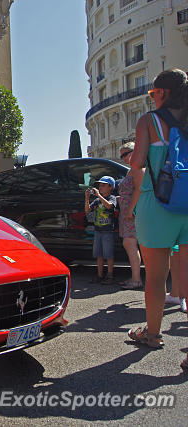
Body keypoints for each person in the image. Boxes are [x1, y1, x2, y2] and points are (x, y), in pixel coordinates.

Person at [126, 69, 188, 360]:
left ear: (162, 93)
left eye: (153, 94)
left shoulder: (149, 121)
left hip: (157, 203)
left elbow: (137, 164)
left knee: (155, 277)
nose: (152, 98)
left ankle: (152, 335)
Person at [117, 142, 143, 290]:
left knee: (130, 243)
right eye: (121, 155)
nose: (123, 158)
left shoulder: (137, 168)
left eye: (125, 154)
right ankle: (135, 278)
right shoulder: (132, 169)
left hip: (132, 213)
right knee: (130, 244)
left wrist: (130, 210)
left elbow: (139, 189)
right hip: (128, 212)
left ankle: (136, 279)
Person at [85, 176, 117, 285]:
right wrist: (87, 198)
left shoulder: (112, 198)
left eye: (103, 185)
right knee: (98, 254)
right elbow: (88, 209)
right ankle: (99, 275)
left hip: (108, 231)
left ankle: (110, 275)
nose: (100, 187)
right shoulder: (97, 200)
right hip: (98, 230)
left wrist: (98, 195)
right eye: (100, 185)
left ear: (110, 187)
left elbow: (109, 206)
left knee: (108, 254)